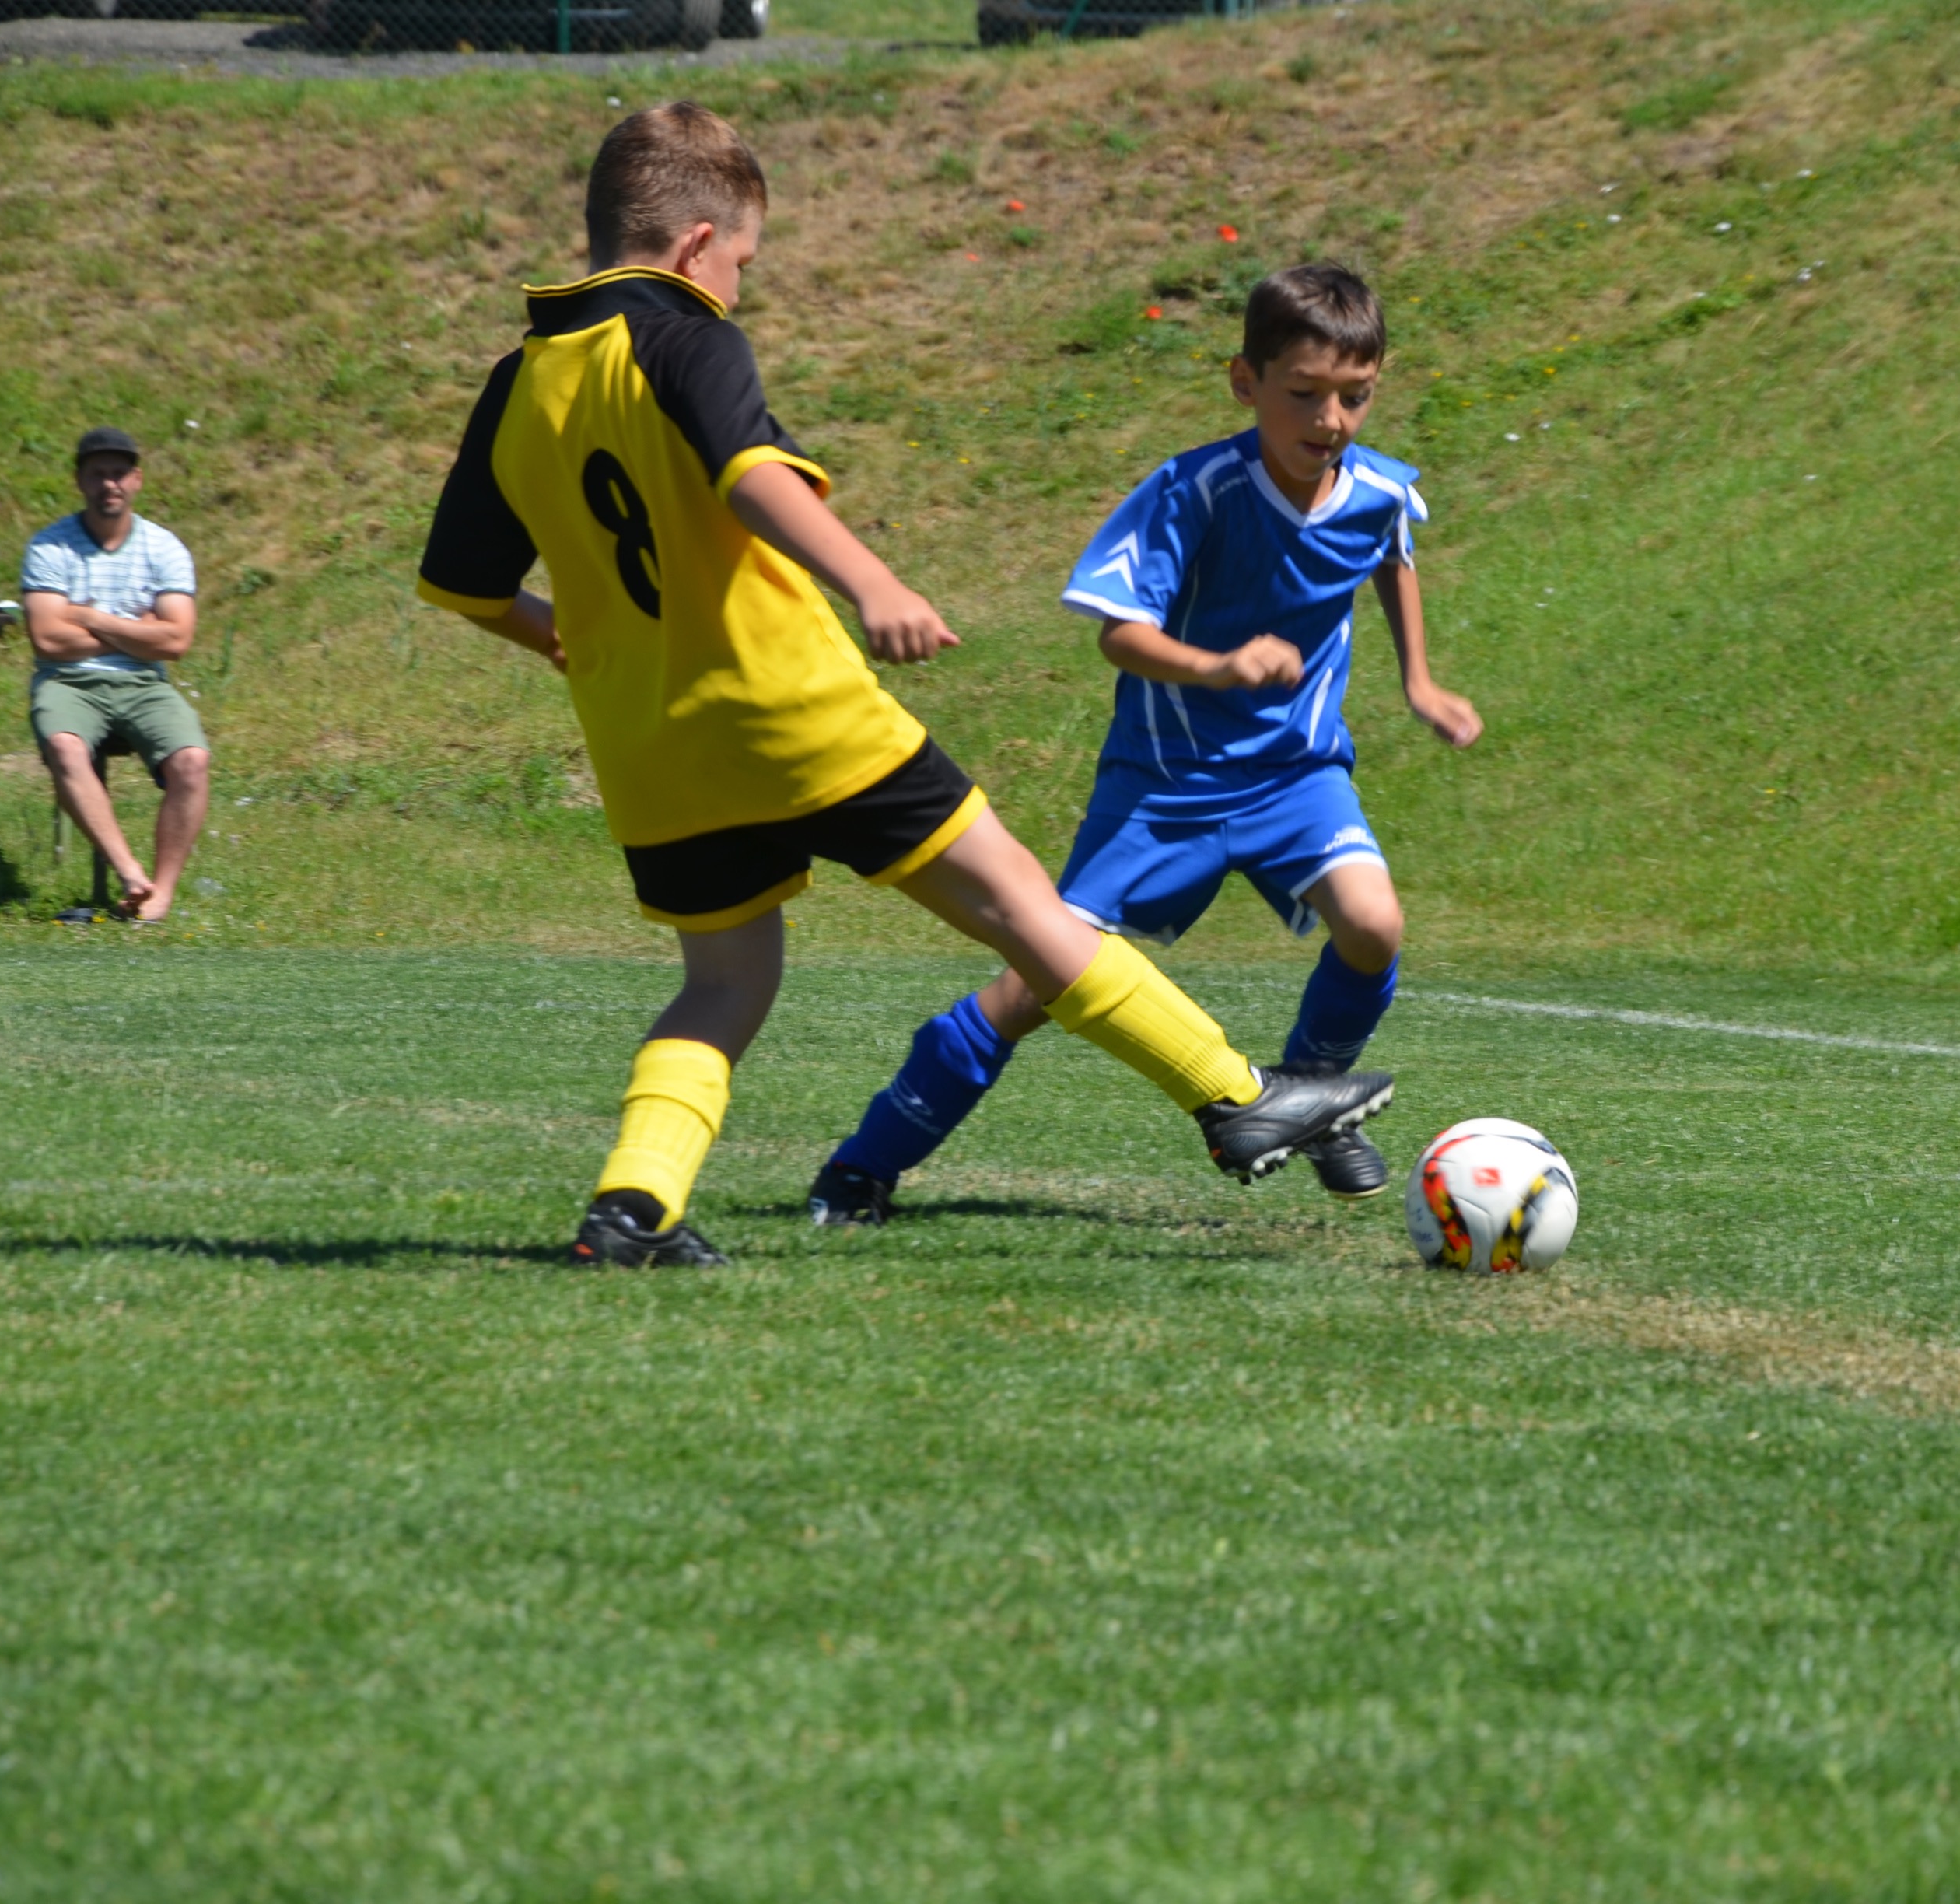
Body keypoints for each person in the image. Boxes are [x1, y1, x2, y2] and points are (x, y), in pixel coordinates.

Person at [414, 102, 1392, 1269]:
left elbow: (465, 585)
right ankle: (1235, 1098)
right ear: (696, 246)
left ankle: (632, 1210)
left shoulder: (517, 381)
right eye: (743, 262)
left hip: (651, 748)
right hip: (793, 711)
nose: (739, 285)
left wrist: (567, 641)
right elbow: (751, 477)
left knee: (722, 985)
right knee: (1025, 907)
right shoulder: (688, 338)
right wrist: (873, 585)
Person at [806, 262, 1482, 1227]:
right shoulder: (1195, 491)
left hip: (1297, 776)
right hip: (1165, 791)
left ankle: (1312, 1096)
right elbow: (1118, 634)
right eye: (1304, 394)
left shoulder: (1377, 488)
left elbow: (1390, 554)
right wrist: (1219, 666)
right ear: (1245, 383)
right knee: (1035, 986)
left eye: (1355, 396)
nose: (1330, 419)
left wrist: (1419, 680)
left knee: (1373, 924)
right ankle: (862, 1167)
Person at [21, 426, 210, 922]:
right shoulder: (50, 547)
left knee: (192, 760)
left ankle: (160, 895)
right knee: (65, 747)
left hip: (144, 682)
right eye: (98, 473)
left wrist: (88, 617)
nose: (110, 484)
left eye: (120, 473)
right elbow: (47, 640)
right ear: (80, 480)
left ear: (137, 480)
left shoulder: (164, 548)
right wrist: (137, 630)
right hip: (68, 681)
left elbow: (177, 642)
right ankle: (130, 874)